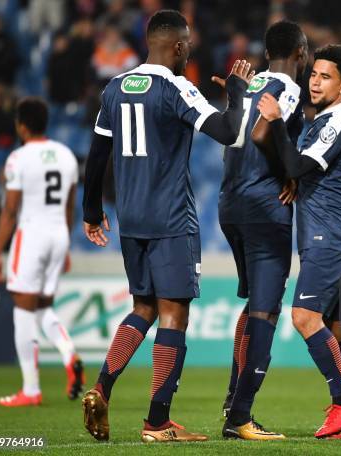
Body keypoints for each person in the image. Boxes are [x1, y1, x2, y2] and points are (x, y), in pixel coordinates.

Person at [81, 9, 253, 443]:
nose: (190, 50)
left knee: (143, 308)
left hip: (130, 219)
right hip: (172, 219)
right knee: (173, 315)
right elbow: (231, 133)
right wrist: (237, 89)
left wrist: (90, 211)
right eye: (188, 44)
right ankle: (157, 422)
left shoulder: (115, 87)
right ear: (178, 46)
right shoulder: (177, 87)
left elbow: (97, 155)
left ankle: (101, 387)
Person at [257, 44, 341, 439]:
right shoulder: (324, 120)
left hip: (330, 237)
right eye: (313, 74)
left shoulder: (335, 122)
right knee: (338, 328)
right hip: (331, 234)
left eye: (325, 77)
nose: (314, 81)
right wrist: (298, 178)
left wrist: (275, 121)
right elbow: (306, 170)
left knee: (304, 318)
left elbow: (294, 164)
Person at [219, 20, 307, 441]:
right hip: (263, 207)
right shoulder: (287, 89)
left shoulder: (248, 85)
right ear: (301, 52)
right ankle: (240, 417)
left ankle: (232, 399)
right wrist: (287, 171)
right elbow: (260, 133)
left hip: (229, 205)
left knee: (253, 302)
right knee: (266, 310)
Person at [0, 97, 83, 407]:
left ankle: (30, 389)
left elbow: (10, 209)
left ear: (22, 125)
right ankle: (69, 353)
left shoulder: (18, 158)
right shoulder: (66, 155)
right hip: (58, 233)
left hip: (31, 235)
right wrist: (66, 245)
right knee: (43, 306)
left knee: (23, 308)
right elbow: (70, 206)